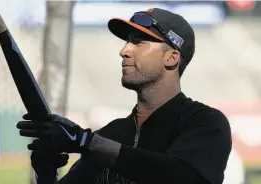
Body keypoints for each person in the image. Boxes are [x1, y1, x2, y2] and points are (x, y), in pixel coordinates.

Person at [16, 8, 232, 184]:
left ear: (171, 58)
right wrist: (46, 176)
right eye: (127, 41)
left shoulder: (204, 123)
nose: (124, 50)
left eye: (139, 42)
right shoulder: (112, 134)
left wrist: (85, 141)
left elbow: (181, 177)